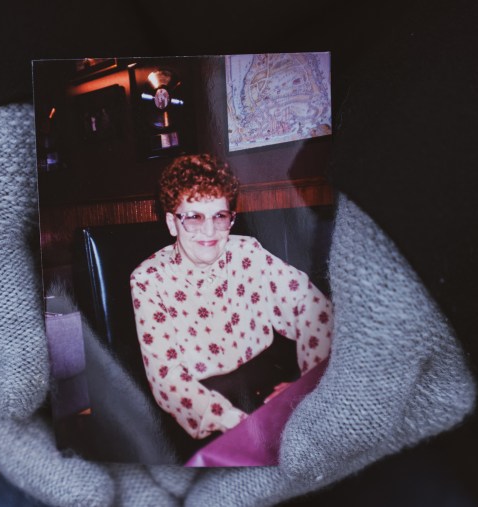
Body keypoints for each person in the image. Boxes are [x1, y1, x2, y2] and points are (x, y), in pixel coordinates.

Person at [129, 154, 333, 439]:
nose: (209, 231)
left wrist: (306, 388)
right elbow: (168, 379)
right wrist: (237, 423)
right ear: (172, 223)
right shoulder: (148, 280)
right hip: (202, 406)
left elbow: (312, 309)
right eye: (194, 218)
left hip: (268, 383)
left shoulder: (248, 252)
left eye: (219, 216)